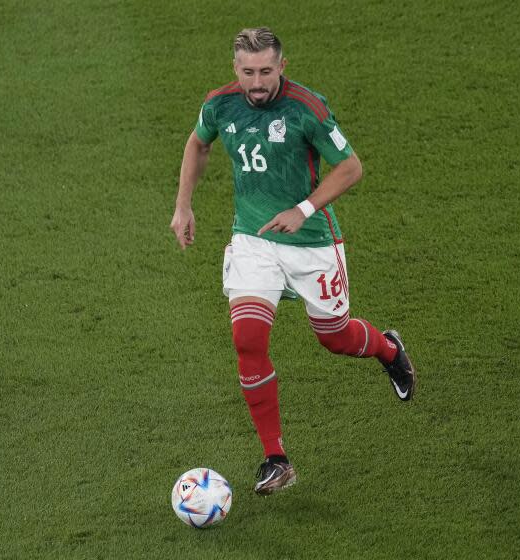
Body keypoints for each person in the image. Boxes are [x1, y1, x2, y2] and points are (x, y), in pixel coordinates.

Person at [170, 27, 417, 496]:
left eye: (266, 71)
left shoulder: (307, 108)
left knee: (336, 337)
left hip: (311, 241)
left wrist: (302, 209)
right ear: (235, 70)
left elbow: (351, 167)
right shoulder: (220, 103)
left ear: (282, 66)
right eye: (248, 72)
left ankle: (388, 349)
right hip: (253, 239)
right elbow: (197, 144)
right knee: (246, 337)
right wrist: (184, 205)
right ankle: (276, 458)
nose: (257, 82)